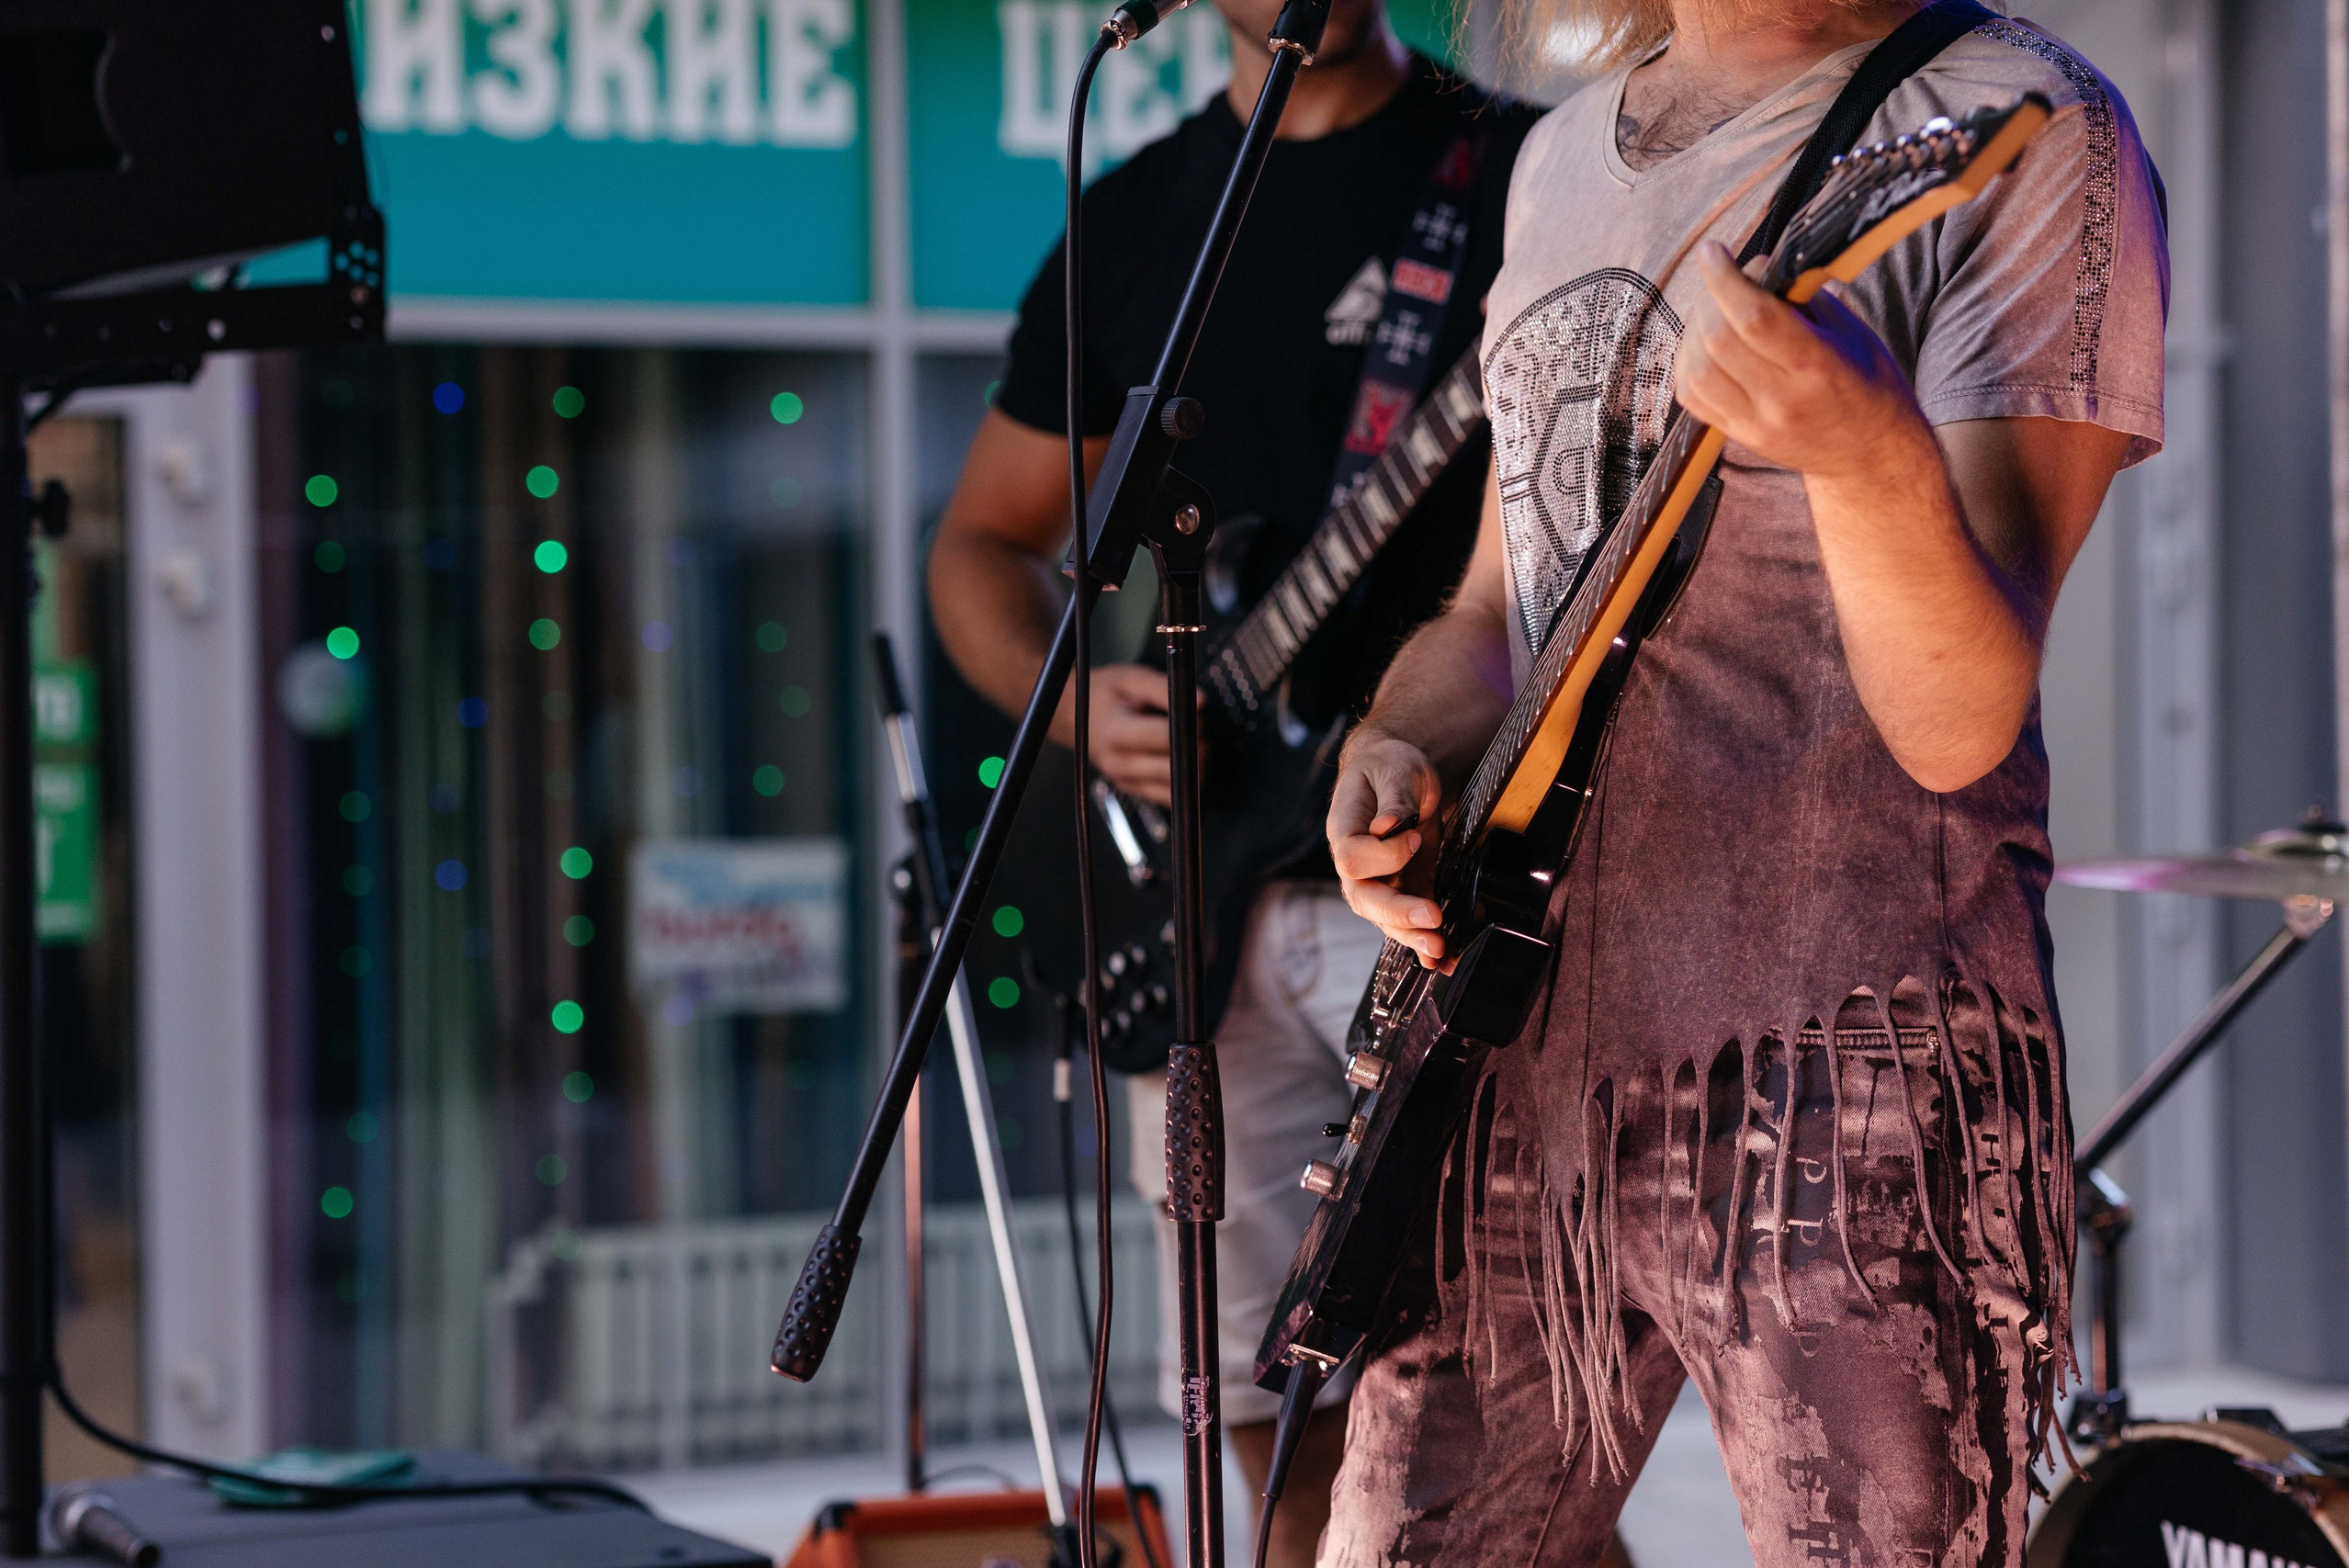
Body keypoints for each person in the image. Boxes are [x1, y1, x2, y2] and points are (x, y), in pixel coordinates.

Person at [1319, 0, 2167, 1562]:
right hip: (1512, 1053)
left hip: (1854, 1078)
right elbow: (1495, 615)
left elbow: (1964, 716)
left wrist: (1865, 458)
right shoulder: (1562, 154)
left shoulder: (2027, 121)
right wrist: (1400, 754)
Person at [926, 5, 1536, 1562]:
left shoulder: (1517, 174)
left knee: (1494, 1404)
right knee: (1249, 1411)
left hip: (1434, 874)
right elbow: (980, 546)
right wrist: (1071, 698)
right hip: (1189, 895)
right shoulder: (1137, 220)